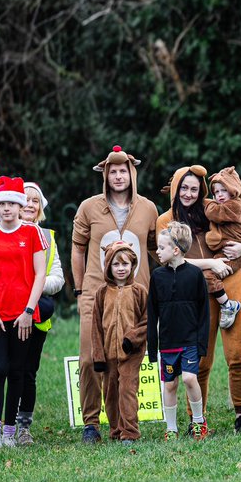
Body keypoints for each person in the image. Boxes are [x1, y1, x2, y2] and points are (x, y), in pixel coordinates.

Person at [0, 181, 65, 448]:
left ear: (20, 205)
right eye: (2, 203)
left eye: (12, 203)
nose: (7, 208)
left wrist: (28, 311)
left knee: (19, 372)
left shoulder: (36, 234)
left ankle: (13, 429)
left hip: (24, 315)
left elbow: (41, 275)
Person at [72, 144, 158, 443]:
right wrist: (81, 288)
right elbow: (78, 247)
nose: (118, 176)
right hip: (96, 295)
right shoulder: (89, 207)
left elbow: (155, 248)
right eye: (113, 172)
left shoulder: (148, 208)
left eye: (123, 171)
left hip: (135, 299)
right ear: (105, 175)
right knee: (90, 359)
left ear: (132, 174)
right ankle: (91, 423)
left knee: (127, 361)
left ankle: (125, 426)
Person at [158, 166, 241, 432]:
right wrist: (210, 263)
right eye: (184, 188)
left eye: (195, 189)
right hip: (195, 289)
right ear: (176, 189)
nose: (189, 193)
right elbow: (171, 259)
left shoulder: (212, 208)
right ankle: (196, 418)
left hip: (232, 280)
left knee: (238, 352)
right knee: (199, 358)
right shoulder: (165, 220)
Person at [147, 222, 211, 441]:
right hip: (167, 343)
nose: (157, 251)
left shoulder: (195, 275)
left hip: (190, 341)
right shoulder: (157, 276)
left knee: (190, 379)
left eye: (161, 247)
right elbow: (152, 312)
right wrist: (151, 345)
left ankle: (199, 422)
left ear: (175, 250)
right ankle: (171, 428)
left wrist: (202, 343)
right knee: (171, 384)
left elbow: (204, 312)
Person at [90, 241, 149, 444]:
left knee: (127, 390)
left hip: (131, 353)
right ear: (108, 267)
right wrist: (98, 356)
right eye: (116, 264)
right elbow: (96, 326)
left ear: (133, 266)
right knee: (111, 393)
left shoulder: (139, 291)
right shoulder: (102, 293)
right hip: (108, 353)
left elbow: (147, 321)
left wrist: (132, 339)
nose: (121, 268)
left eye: (125, 264)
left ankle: (130, 432)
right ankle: (116, 430)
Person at [204, 167, 241, 327]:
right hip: (232, 251)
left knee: (208, 276)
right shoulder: (235, 204)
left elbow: (213, 213)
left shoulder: (235, 205)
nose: (219, 195)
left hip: (233, 255)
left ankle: (228, 305)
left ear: (234, 189)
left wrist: (206, 202)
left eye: (224, 190)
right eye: (216, 192)